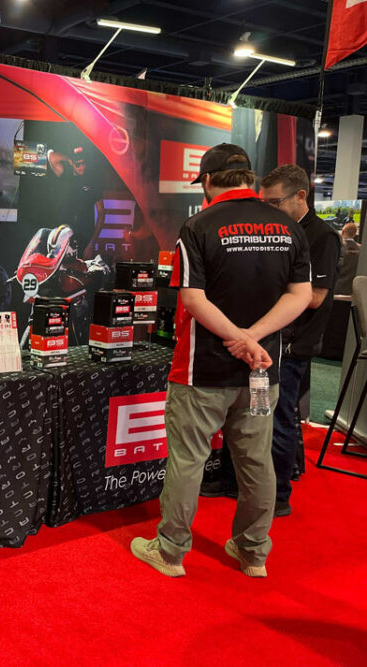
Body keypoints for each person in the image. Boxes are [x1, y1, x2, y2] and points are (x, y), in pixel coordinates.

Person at [130, 144, 311, 578]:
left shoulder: (198, 225)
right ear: (250, 177)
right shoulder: (289, 227)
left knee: (188, 460)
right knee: (256, 461)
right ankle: (254, 554)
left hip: (202, 369)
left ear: (208, 181)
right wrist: (253, 339)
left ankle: (171, 552)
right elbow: (301, 295)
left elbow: (193, 299)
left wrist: (239, 338)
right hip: (261, 368)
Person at [202, 165, 340, 516]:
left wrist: (265, 293)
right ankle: (232, 480)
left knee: (276, 417)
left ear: (300, 196)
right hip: (259, 339)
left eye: (275, 202)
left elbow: (313, 297)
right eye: (264, 202)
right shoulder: (275, 229)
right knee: (244, 416)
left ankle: (277, 493)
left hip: (290, 346)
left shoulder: (321, 236)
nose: (268, 209)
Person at [335, 223, 360, 296]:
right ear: (354, 234)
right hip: (353, 291)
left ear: (342, 232)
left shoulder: (336, 247)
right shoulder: (362, 249)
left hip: (336, 290)